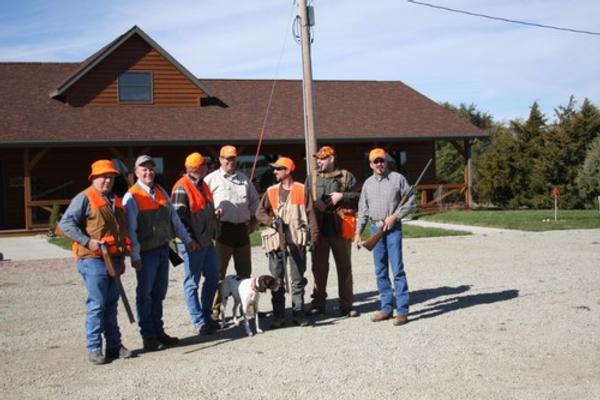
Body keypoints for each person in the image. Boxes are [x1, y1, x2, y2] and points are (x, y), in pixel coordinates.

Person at [58, 159, 133, 365]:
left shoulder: (115, 200)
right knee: (97, 304)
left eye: (111, 177)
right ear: (94, 178)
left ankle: (114, 346)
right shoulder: (84, 198)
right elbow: (65, 224)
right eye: (104, 177)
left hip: (113, 259)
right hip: (93, 260)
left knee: (111, 304)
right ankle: (93, 347)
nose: (108, 180)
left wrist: (122, 256)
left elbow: (120, 230)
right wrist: (87, 241)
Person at [123, 155, 199, 351]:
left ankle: (159, 331)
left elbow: (175, 220)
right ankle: (148, 336)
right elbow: (130, 230)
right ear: (137, 172)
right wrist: (135, 255)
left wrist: (187, 239)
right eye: (144, 169)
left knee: (159, 293)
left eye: (151, 169)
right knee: (145, 294)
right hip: (146, 253)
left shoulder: (161, 191)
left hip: (163, 250)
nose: (148, 172)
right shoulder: (132, 196)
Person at [353, 148, 416, 326]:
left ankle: (402, 312)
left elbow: (411, 201)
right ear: (370, 164)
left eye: (382, 160)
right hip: (375, 229)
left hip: (393, 228)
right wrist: (358, 233)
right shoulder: (367, 184)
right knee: (380, 271)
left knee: (397, 270)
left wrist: (395, 216)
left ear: (386, 162)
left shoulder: (397, 178)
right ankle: (386, 308)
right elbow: (363, 211)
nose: (379, 164)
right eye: (376, 161)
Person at [255, 156, 319, 328]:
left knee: (297, 280)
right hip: (276, 243)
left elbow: (311, 214)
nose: (275, 172)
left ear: (288, 170)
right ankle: (279, 316)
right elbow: (259, 212)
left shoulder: (301, 189)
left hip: (297, 241)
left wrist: (314, 238)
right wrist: (272, 221)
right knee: (277, 281)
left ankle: (298, 313)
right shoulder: (271, 191)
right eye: (274, 169)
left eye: (278, 169)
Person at [203, 145, 260, 320]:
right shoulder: (210, 180)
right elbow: (204, 205)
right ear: (220, 159)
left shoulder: (244, 180)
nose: (229, 161)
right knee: (218, 274)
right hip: (222, 231)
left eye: (232, 158)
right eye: (226, 158)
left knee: (245, 273)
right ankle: (215, 310)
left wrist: (254, 221)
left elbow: (254, 202)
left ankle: (248, 309)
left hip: (242, 231)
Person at [171, 152, 221, 335]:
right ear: (197, 168)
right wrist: (189, 240)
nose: (208, 167)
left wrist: (214, 215)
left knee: (214, 276)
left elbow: (202, 211)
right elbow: (177, 220)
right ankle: (199, 322)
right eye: (205, 165)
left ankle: (206, 315)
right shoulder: (181, 188)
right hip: (193, 244)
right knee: (192, 283)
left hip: (206, 241)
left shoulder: (203, 185)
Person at [308, 146, 360, 318]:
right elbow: (305, 204)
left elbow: (359, 198)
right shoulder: (312, 178)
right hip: (319, 229)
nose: (319, 161)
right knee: (319, 269)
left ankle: (346, 305)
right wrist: (316, 206)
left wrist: (341, 197)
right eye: (318, 158)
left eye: (322, 158)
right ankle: (318, 304)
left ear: (331, 158)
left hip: (340, 227)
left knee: (344, 268)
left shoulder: (346, 176)